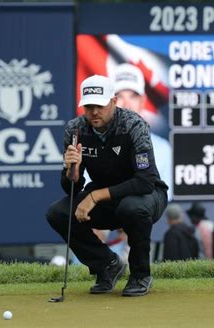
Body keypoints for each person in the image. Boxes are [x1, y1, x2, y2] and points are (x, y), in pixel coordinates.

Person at [46, 74, 168, 297]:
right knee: (58, 213)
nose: (94, 112)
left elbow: (145, 180)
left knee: (131, 208)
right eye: (89, 106)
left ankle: (140, 275)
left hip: (146, 195)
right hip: (106, 198)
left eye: (99, 106)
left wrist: (93, 197)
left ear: (113, 101)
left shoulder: (134, 125)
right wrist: (71, 169)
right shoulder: (75, 131)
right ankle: (107, 265)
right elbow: (72, 187)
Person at [113, 63, 173, 201]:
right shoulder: (93, 145)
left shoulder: (163, 149)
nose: (127, 105)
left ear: (143, 101)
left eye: (133, 96)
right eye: (120, 97)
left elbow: (162, 199)